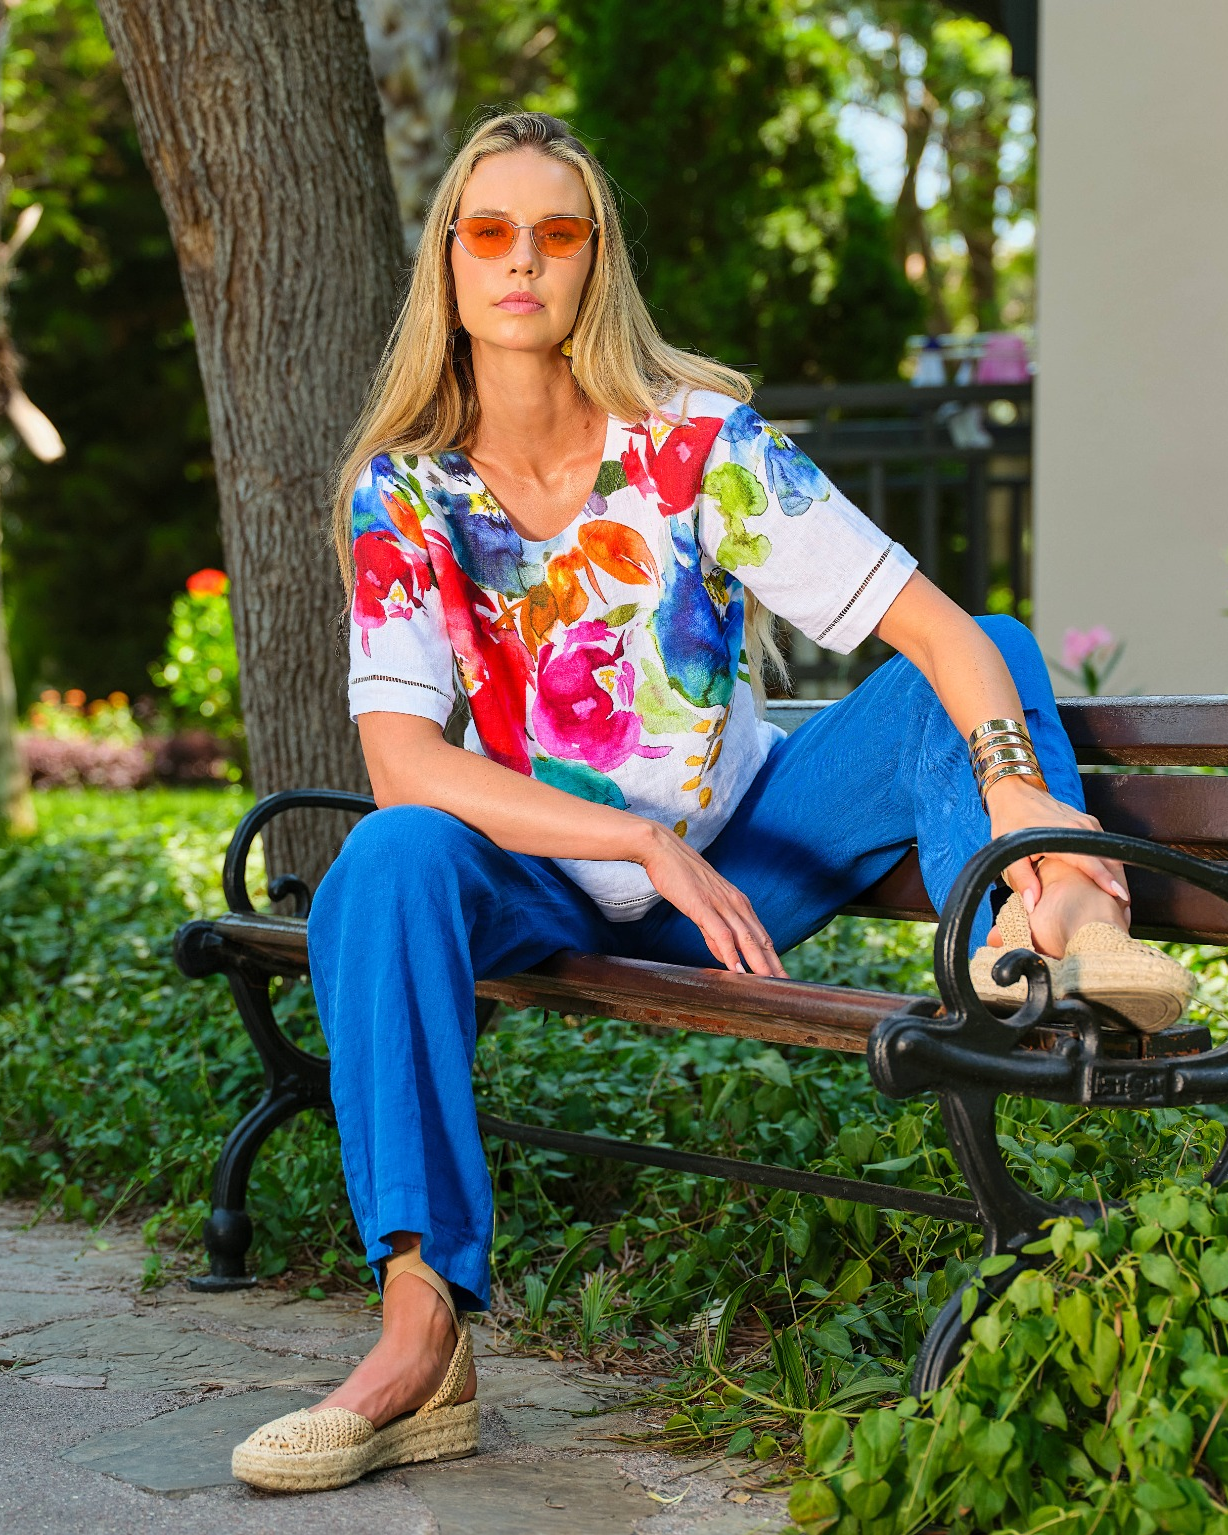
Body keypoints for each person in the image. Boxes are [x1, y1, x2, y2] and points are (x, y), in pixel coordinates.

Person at [231, 111, 1192, 1493]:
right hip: (548, 879)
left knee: (986, 641)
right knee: (387, 858)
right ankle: (419, 1335)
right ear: (448, 260)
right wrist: (632, 838)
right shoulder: (408, 493)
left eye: (556, 233)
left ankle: (1061, 918)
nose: (521, 260)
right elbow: (405, 763)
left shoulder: (695, 444)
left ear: (596, 260)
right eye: (489, 231)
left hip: (745, 860)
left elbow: (941, 635)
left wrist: (1012, 813)